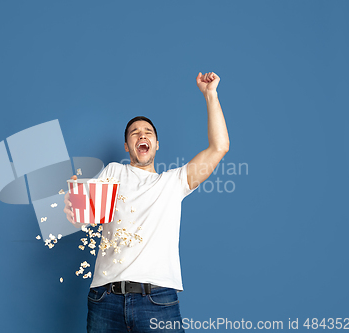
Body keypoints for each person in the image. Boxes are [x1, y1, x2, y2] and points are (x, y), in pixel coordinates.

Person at [64, 72, 230, 333]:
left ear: (156, 144)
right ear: (128, 146)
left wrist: (211, 95)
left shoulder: (173, 182)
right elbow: (87, 215)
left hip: (157, 300)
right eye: (134, 132)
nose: (142, 134)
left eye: (148, 132)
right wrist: (74, 209)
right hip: (105, 298)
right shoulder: (113, 173)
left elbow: (219, 147)